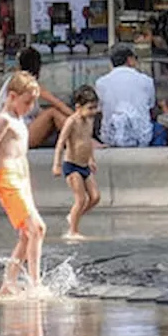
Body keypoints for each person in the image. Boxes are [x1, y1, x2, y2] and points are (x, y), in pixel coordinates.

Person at [0, 71, 47, 296]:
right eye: (27, 102)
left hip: (20, 178)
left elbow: (22, 156)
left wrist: (28, 188)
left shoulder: (18, 120)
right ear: (12, 96)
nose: (30, 107)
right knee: (36, 229)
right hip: (8, 179)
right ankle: (34, 283)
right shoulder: (4, 119)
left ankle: (10, 281)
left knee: (29, 233)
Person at [52, 85, 105, 242]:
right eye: (90, 108)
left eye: (95, 108)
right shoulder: (71, 122)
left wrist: (91, 159)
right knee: (80, 199)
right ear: (78, 107)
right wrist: (56, 164)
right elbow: (61, 143)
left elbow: (87, 141)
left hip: (84, 165)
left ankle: (73, 216)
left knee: (95, 197)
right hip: (72, 165)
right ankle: (73, 230)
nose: (93, 112)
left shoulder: (89, 120)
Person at [0, 47, 73, 149]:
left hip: (21, 131)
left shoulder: (22, 83)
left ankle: (80, 139)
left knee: (52, 114)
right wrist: (77, 117)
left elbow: (38, 114)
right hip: (13, 137)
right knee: (52, 112)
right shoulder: (22, 82)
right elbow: (57, 103)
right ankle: (83, 140)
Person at [95, 43, 156, 147]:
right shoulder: (146, 81)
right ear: (130, 59)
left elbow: (99, 110)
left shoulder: (101, 83)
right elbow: (151, 106)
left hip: (110, 138)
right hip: (142, 139)